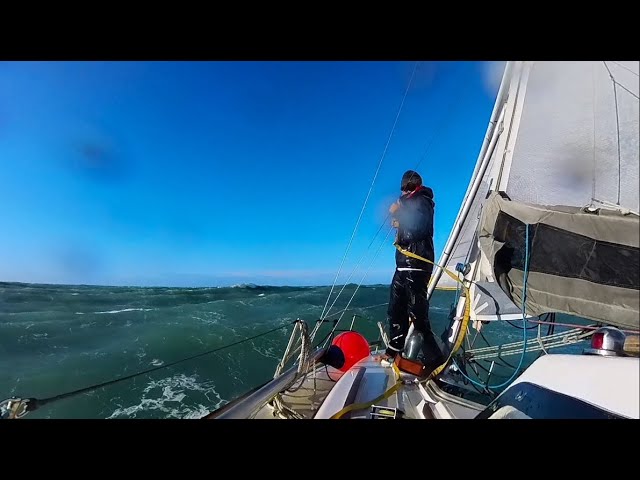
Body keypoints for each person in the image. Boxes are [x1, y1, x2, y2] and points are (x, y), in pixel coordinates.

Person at [383, 169, 445, 373]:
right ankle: (395, 347)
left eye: (404, 189)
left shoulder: (423, 200)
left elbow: (420, 227)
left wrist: (399, 210)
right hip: (402, 263)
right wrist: (399, 223)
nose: (401, 193)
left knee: (417, 312)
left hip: (417, 263)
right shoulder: (410, 202)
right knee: (395, 309)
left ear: (410, 187)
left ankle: (434, 357)